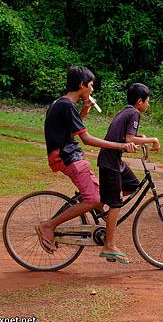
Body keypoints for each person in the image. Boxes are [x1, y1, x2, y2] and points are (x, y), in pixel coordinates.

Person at [37, 66, 137, 254]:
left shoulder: (62, 103)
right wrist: (120, 146)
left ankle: (105, 232)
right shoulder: (66, 105)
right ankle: (49, 226)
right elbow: (86, 139)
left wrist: (83, 112)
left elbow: (69, 131)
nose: (92, 89)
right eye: (90, 85)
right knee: (93, 200)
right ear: (82, 85)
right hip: (68, 158)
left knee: (98, 197)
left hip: (69, 156)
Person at [97, 83, 160, 264]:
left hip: (115, 161)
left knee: (133, 186)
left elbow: (129, 136)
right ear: (140, 101)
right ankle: (109, 245)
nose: (148, 104)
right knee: (116, 203)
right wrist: (153, 139)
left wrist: (141, 139)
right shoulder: (135, 113)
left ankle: (102, 204)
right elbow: (128, 139)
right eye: (147, 101)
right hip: (111, 163)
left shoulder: (126, 111)